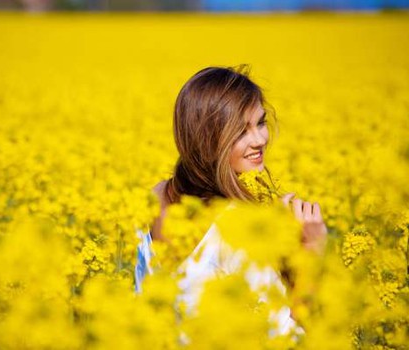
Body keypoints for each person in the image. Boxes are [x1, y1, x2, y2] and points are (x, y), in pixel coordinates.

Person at [134, 65, 328, 339]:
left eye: (260, 123)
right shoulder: (236, 229)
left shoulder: (155, 196)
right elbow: (290, 341)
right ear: (207, 139)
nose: (260, 139)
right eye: (241, 131)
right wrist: (310, 248)